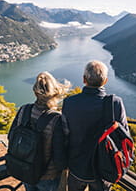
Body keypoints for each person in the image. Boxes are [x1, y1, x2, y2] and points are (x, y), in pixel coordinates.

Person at [62, 60, 129, 191]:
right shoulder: (115, 103)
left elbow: (64, 134)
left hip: (77, 166)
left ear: (84, 79)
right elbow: (124, 135)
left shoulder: (69, 102)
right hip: (103, 168)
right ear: (105, 81)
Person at [8, 72, 70, 191]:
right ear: (55, 93)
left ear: (35, 92)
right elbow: (59, 154)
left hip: (25, 169)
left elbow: (11, 136)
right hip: (48, 175)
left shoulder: (24, 110)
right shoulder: (57, 119)